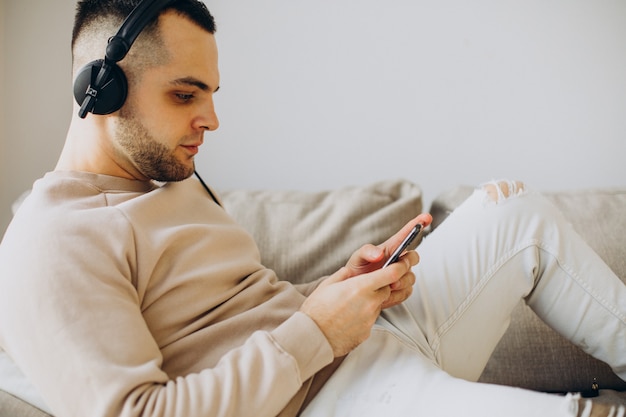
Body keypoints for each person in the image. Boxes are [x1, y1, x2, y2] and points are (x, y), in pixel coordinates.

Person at [0, 1, 624, 416]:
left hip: (355, 347)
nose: (211, 120)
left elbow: (243, 316)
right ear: (98, 90)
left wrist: (335, 291)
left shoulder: (164, 185)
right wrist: (319, 331)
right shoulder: (54, 240)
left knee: (514, 214)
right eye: (185, 94)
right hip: (331, 399)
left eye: (211, 94)